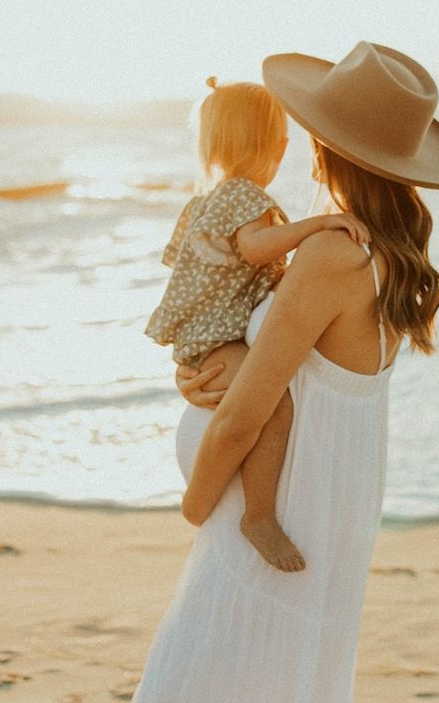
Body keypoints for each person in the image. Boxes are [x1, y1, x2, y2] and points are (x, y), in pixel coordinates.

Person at [111, 41, 439, 703]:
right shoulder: (383, 254)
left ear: (323, 148)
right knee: (272, 700)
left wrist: (197, 501)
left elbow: (250, 410)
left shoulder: (329, 256)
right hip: (329, 507)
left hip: (277, 515)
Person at [144, 75, 371, 572]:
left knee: (263, 407)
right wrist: (316, 224)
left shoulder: (208, 200)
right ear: (275, 146)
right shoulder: (246, 198)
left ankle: (242, 510)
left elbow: (215, 266)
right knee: (274, 411)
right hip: (217, 338)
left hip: (207, 337)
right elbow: (253, 249)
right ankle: (248, 514)